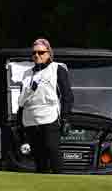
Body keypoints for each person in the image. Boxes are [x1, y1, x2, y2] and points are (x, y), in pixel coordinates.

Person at [19, 37, 73, 174]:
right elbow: (21, 101)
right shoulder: (26, 74)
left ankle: (61, 181)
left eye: (41, 52)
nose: (37, 55)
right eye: (34, 53)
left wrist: (66, 118)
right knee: (38, 155)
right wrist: (19, 120)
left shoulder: (57, 69)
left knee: (52, 149)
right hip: (30, 119)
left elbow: (67, 95)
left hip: (49, 116)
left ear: (49, 53)